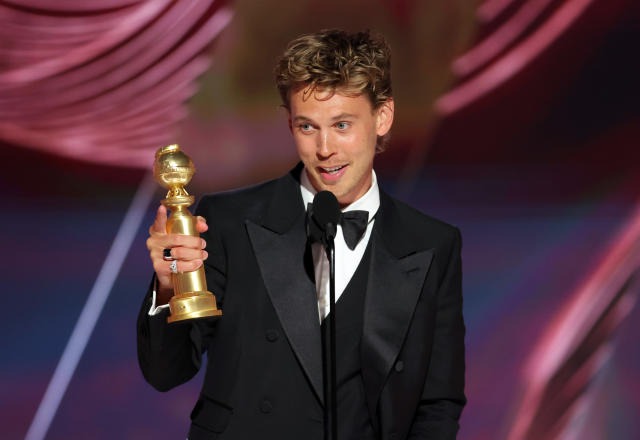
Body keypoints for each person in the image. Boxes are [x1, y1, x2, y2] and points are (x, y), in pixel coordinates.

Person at [138, 29, 466, 440]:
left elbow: (437, 405)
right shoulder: (228, 222)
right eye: (307, 127)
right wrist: (169, 286)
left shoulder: (432, 244)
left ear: (383, 117)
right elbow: (166, 372)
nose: (325, 148)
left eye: (342, 124)